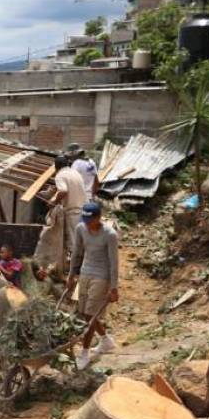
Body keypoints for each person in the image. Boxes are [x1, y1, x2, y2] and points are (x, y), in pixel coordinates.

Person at [65, 202, 119, 371]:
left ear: (98, 218)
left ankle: (85, 353)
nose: (88, 223)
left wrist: (114, 287)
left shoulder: (109, 234)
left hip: (102, 275)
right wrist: (71, 275)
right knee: (84, 313)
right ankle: (105, 340)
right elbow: (77, 252)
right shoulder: (81, 228)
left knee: (90, 314)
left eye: (91, 220)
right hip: (85, 272)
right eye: (85, 220)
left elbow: (114, 262)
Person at [52, 154, 87, 264]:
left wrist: (53, 201)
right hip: (85, 209)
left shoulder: (60, 176)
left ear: (56, 167)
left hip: (74, 211)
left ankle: (75, 269)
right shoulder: (74, 172)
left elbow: (63, 190)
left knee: (73, 242)